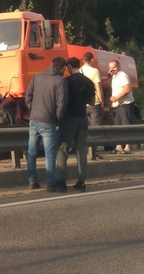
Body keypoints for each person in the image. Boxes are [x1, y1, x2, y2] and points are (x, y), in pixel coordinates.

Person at [25, 57, 68, 192]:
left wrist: (33, 109)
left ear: (51, 64)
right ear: (63, 68)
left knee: (32, 152)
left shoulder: (37, 77)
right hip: (48, 120)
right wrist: (57, 118)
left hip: (34, 119)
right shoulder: (60, 81)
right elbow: (62, 103)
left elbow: (28, 96)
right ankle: (50, 183)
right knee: (49, 153)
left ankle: (32, 181)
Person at [56, 57, 95, 192]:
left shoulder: (66, 82)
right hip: (83, 117)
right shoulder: (88, 82)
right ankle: (81, 181)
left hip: (69, 118)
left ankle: (61, 181)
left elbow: (62, 100)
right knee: (81, 150)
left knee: (63, 149)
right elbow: (92, 101)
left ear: (69, 67)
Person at [81, 51, 104, 160]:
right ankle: (93, 152)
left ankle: (86, 151)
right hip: (94, 103)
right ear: (92, 60)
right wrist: (102, 101)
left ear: (83, 60)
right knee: (95, 128)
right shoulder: (95, 71)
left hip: (82, 104)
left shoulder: (79, 71)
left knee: (85, 128)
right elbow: (98, 87)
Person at [108, 59, 134, 154]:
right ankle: (118, 146)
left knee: (126, 125)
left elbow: (127, 89)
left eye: (114, 67)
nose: (112, 70)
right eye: (110, 68)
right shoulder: (114, 76)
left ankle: (128, 146)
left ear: (119, 67)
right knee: (117, 125)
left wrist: (116, 97)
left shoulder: (122, 76)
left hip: (125, 103)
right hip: (118, 104)